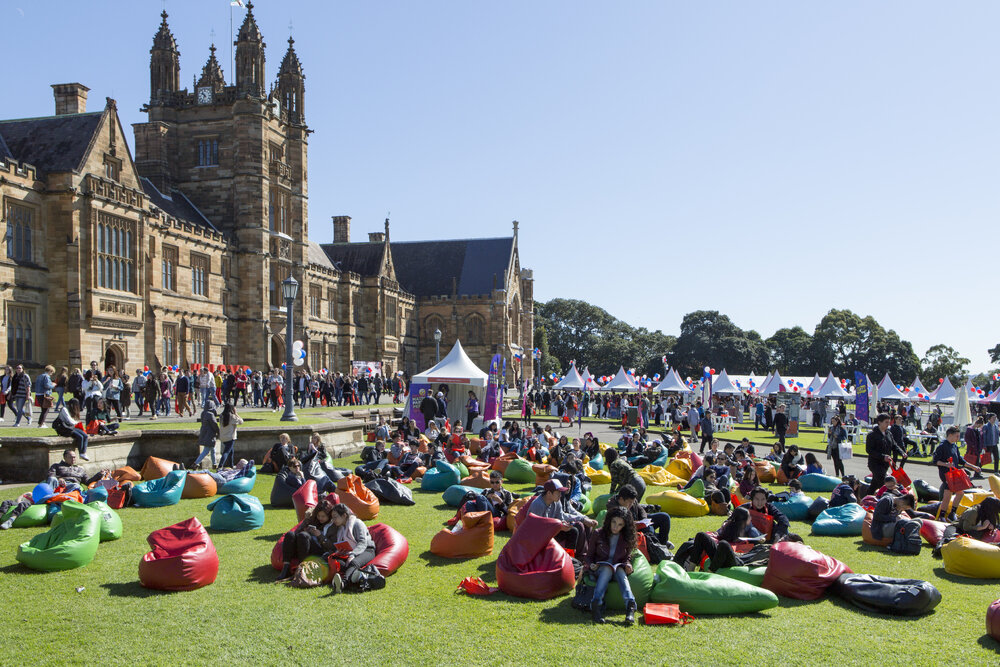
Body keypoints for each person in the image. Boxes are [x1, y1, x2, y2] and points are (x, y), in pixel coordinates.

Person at [585, 506, 638, 625]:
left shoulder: (626, 537)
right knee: (607, 569)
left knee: (620, 570)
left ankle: (630, 607)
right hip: (599, 569)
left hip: (617, 568)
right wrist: (591, 565)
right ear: (609, 520)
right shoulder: (598, 534)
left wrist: (628, 565)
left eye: (620, 524)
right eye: (614, 522)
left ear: (624, 526)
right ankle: (596, 604)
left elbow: (627, 557)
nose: (615, 527)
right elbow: (588, 557)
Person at [527, 479, 597, 556]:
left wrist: (583, 519)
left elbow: (562, 516)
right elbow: (537, 528)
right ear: (549, 493)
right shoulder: (538, 505)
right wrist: (559, 526)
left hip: (551, 529)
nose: (560, 495)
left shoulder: (556, 501)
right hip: (538, 536)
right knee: (574, 530)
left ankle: (570, 556)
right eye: (558, 493)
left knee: (573, 531)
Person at [276, 497, 337, 581]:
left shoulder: (332, 526)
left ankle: (301, 569)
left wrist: (320, 535)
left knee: (304, 536)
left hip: (320, 550)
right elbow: (297, 532)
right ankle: (286, 567)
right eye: (318, 515)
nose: (320, 518)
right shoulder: (312, 519)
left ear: (329, 516)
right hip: (303, 545)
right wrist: (306, 525)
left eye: (323, 516)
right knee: (290, 534)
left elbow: (331, 547)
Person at [328, 503, 379, 592]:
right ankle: (354, 578)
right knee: (338, 562)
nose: (333, 520)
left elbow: (362, 542)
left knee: (354, 563)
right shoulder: (341, 528)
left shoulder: (357, 523)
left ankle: (343, 584)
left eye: (335, 517)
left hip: (367, 550)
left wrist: (352, 554)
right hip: (350, 551)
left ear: (344, 515)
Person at [933, 426, 980, 522]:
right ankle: (942, 515)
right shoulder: (942, 446)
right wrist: (946, 464)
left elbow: (961, 460)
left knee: (960, 493)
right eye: (956, 436)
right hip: (946, 474)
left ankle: (952, 513)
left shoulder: (954, 446)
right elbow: (935, 461)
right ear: (950, 435)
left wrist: (974, 467)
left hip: (954, 474)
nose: (958, 438)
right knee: (948, 494)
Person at [606, 483, 672, 549]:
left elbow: (641, 509)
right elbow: (619, 523)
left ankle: (663, 544)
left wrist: (644, 520)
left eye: (632, 502)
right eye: (629, 502)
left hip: (640, 522)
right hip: (628, 528)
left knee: (664, 517)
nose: (631, 504)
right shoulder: (612, 506)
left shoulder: (631, 500)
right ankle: (657, 546)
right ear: (621, 499)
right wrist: (635, 523)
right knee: (649, 530)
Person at [864, 413, 905, 498]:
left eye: (889, 422)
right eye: (886, 422)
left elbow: (894, 445)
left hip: (885, 464)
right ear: (879, 422)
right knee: (884, 483)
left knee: (874, 484)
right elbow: (869, 450)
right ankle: (886, 501)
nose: (888, 424)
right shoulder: (872, 435)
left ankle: (866, 498)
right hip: (875, 464)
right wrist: (883, 456)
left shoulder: (888, 433)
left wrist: (902, 452)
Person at [192, 400, 220, 469]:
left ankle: (214, 464)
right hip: (210, 434)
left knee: (212, 450)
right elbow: (214, 424)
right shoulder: (210, 414)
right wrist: (218, 431)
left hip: (204, 433)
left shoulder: (203, 413)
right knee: (206, 450)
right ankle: (196, 463)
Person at [218, 402, 244, 469]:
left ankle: (231, 465)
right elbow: (241, 421)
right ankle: (220, 466)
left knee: (231, 451)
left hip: (223, 437)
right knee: (226, 452)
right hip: (230, 437)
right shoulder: (232, 416)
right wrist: (236, 413)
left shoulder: (221, 415)